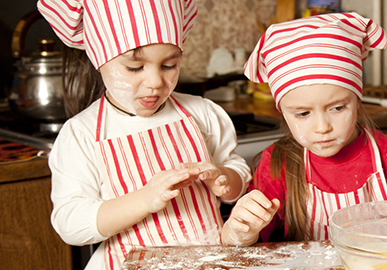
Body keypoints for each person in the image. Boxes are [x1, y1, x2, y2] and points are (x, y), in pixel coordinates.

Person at [38, 0, 251, 268]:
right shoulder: (82, 134)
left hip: (208, 261)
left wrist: (225, 180)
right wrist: (145, 199)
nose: (155, 82)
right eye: (135, 68)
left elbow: (236, 173)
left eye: (169, 65)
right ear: (98, 59)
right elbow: (71, 224)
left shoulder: (202, 112)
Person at [220, 12, 387, 246]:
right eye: (303, 113)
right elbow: (247, 246)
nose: (322, 127)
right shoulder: (277, 164)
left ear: (358, 99)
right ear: (283, 112)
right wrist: (239, 231)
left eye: (338, 108)